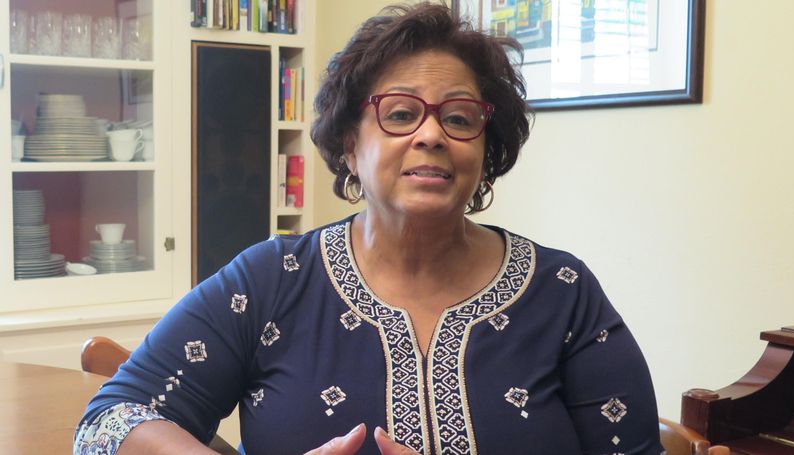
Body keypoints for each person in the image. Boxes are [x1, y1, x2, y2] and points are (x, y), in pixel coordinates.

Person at [74, 3, 663, 454]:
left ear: (485, 150)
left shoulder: (561, 290)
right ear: (350, 145)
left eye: (459, 118)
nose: (431, 135)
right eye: (401, 113)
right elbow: (108, 423)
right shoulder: (272, 279)